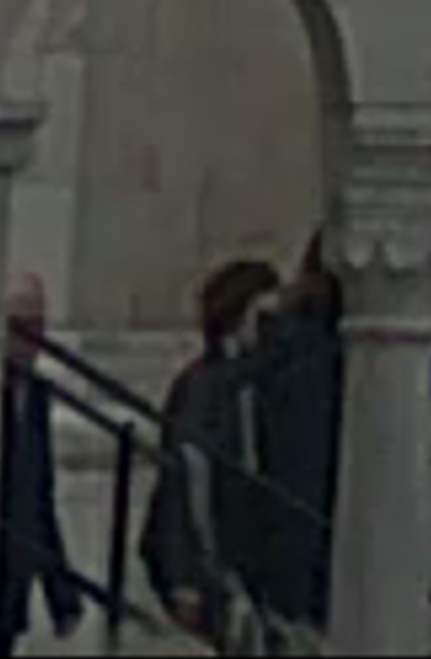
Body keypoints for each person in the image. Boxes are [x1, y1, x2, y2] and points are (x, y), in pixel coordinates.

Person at [143, 250, 282, 652]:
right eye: (262, 317)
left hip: (259, 552)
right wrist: (185, 575)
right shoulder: (204, 385)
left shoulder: (268, 383)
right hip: (220, 550)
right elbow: (185, 478)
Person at [240, 238, 344, 650]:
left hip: (301, 547)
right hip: (302, 552)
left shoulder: (297, 343)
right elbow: (302, 471)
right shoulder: (309, 352)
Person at [0, 280, 83, 659]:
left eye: (38, 327)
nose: (30, 341)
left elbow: (37, 494)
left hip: (11, 582)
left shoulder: (35, 394)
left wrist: (59, 591)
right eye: (20, 327)